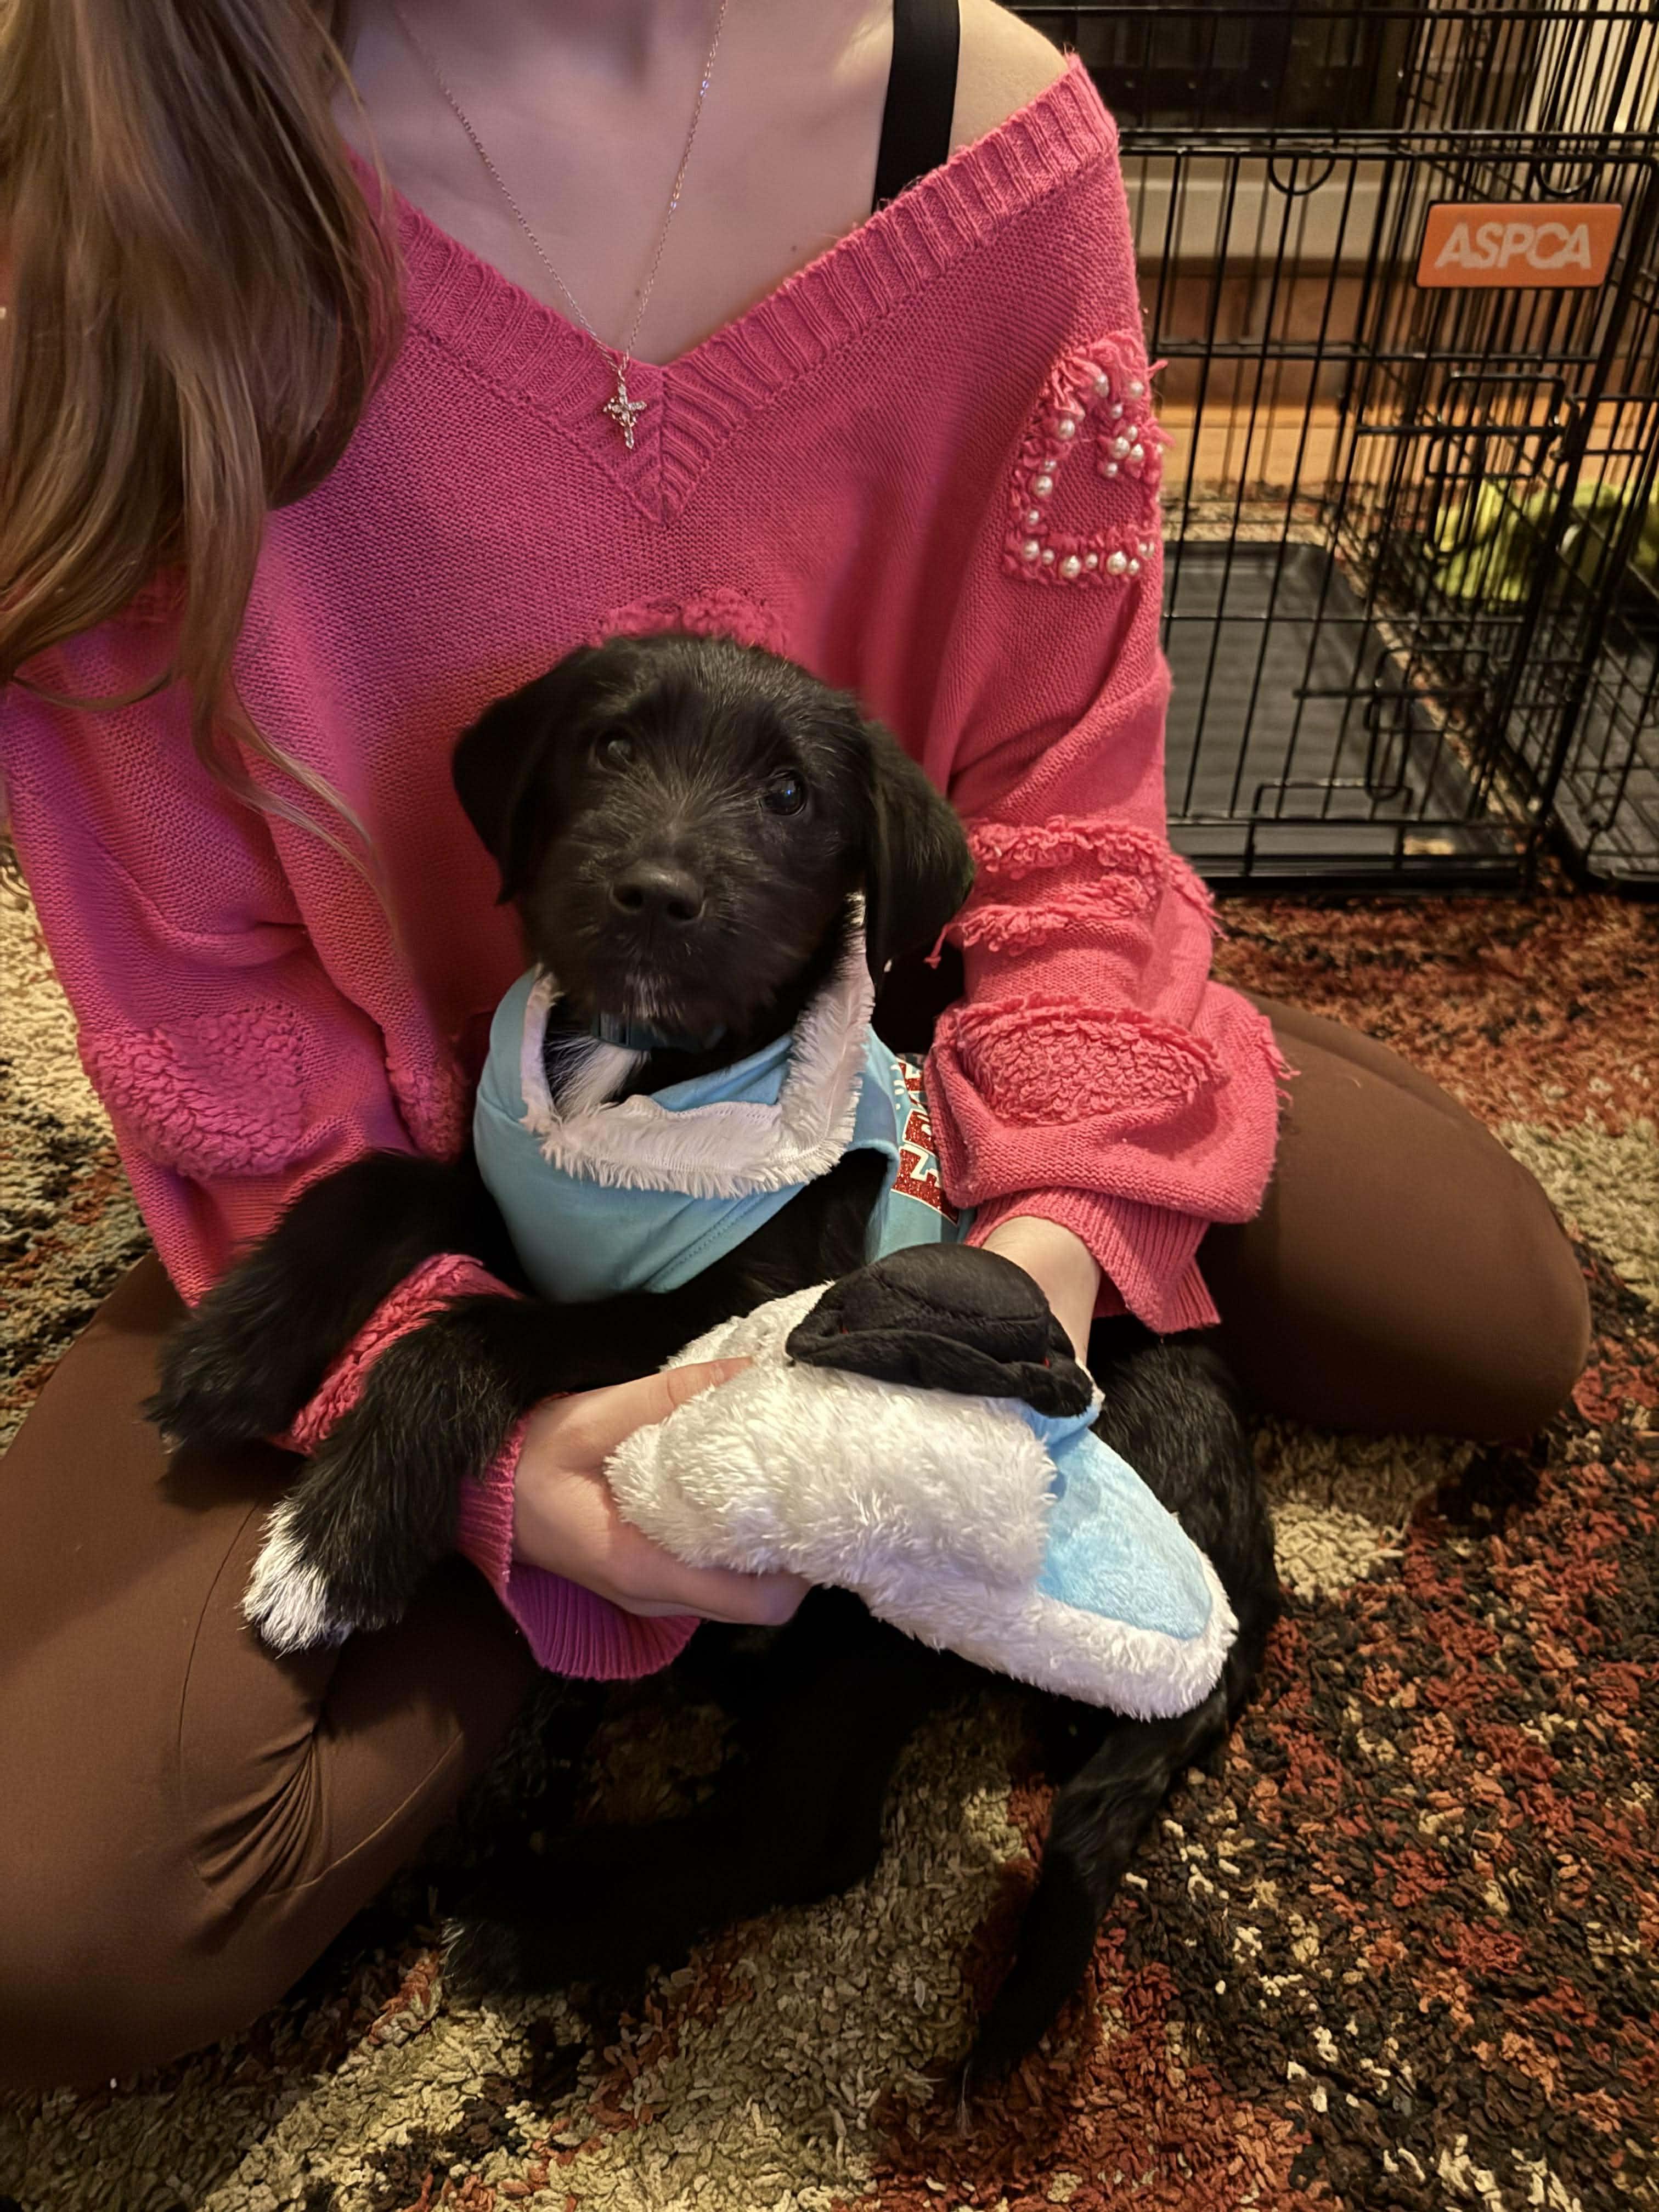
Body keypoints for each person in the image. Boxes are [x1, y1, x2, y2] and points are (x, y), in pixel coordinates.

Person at [0, 0, 1589, 2091]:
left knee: (1506, 1325)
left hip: (871, 1035)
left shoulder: (994, 131)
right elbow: (193, 992)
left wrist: (1040, 1234)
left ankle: (1096, 1081)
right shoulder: (116, 208)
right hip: (421, 1123)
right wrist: (465, 1426)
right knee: (61, 1941)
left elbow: (1065, 804)